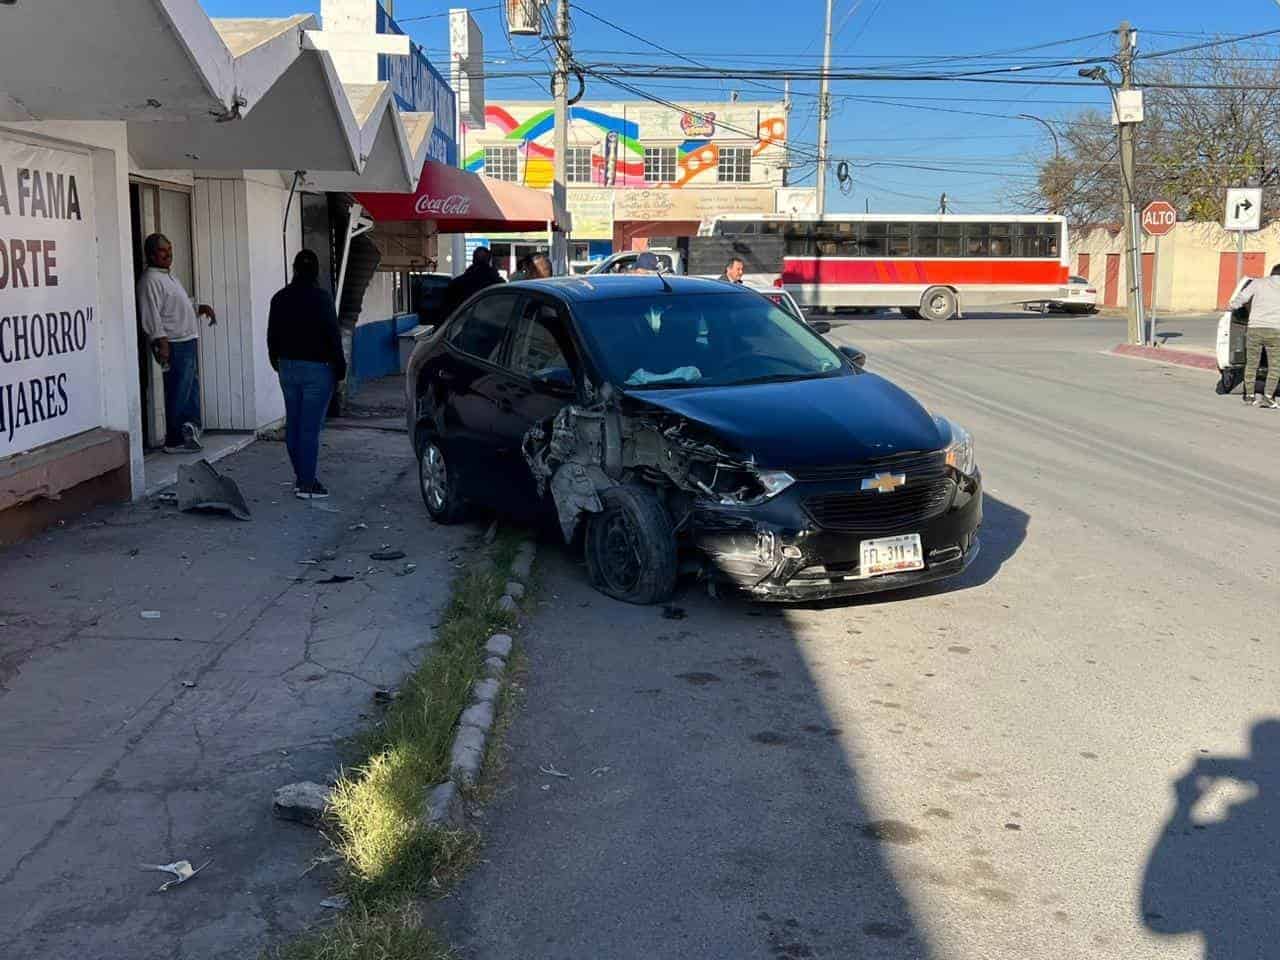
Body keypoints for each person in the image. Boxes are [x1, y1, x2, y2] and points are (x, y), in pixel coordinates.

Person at [267, 249, 347, 500]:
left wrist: (277, 362)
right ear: (316, 272)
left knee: (295, 424)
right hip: (317, 370)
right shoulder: (322, 299)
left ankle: (302, 477)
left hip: (287, 367)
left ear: (294, 269)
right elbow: (333, 337)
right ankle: (307, 484)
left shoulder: (279, 298)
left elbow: (272, 336)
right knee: (309, 429)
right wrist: (340, 369)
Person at [136, 233, 216, 453]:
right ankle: (174, 439)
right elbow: (151, 316)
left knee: (190, 389)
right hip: (173, 343)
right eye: (163, 250)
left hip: (187, 339)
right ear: (151, 254)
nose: (168, 254)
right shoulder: (150, 280)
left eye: (170, 249)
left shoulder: (169, 277)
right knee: (178, 390)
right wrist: (161, 343)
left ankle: (188, 431)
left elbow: (176, 306)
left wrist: (200, 309)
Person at [1228, 264, 1280, 409]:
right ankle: (1268, 397)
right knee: (1275, 366)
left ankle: (1249, 396)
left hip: (1255, 329)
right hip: (1276, 331)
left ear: (1271, 273)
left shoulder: (1258, 283)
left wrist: (1232, 306)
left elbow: (1241, 298)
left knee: (1252, 363)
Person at [440, 246, 504, 318]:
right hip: (492, 325)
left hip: (462, 325)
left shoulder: (457, 284)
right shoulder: (498, 285)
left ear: (473, 260)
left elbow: (446, 312)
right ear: (489, 261)